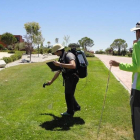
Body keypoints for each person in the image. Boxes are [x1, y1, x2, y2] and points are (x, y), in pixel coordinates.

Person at [109, 22, 140, 140]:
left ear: (138, 32)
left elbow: (137, 67)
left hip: (138, 88)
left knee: (137, 116)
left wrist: (119, 65)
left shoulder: (138, 46)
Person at [46, 44, 81, 116]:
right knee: (70, 93)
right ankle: (76, 107)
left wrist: (60, 64)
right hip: (68, 78)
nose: (55, 54)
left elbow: (73, 65)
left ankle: (70, 112)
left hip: (72, 77)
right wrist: (51, 81)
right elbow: (58, 71)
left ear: (58, 51)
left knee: (68, 94)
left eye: (55, 52)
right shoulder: (62, 58)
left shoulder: (69, 55)